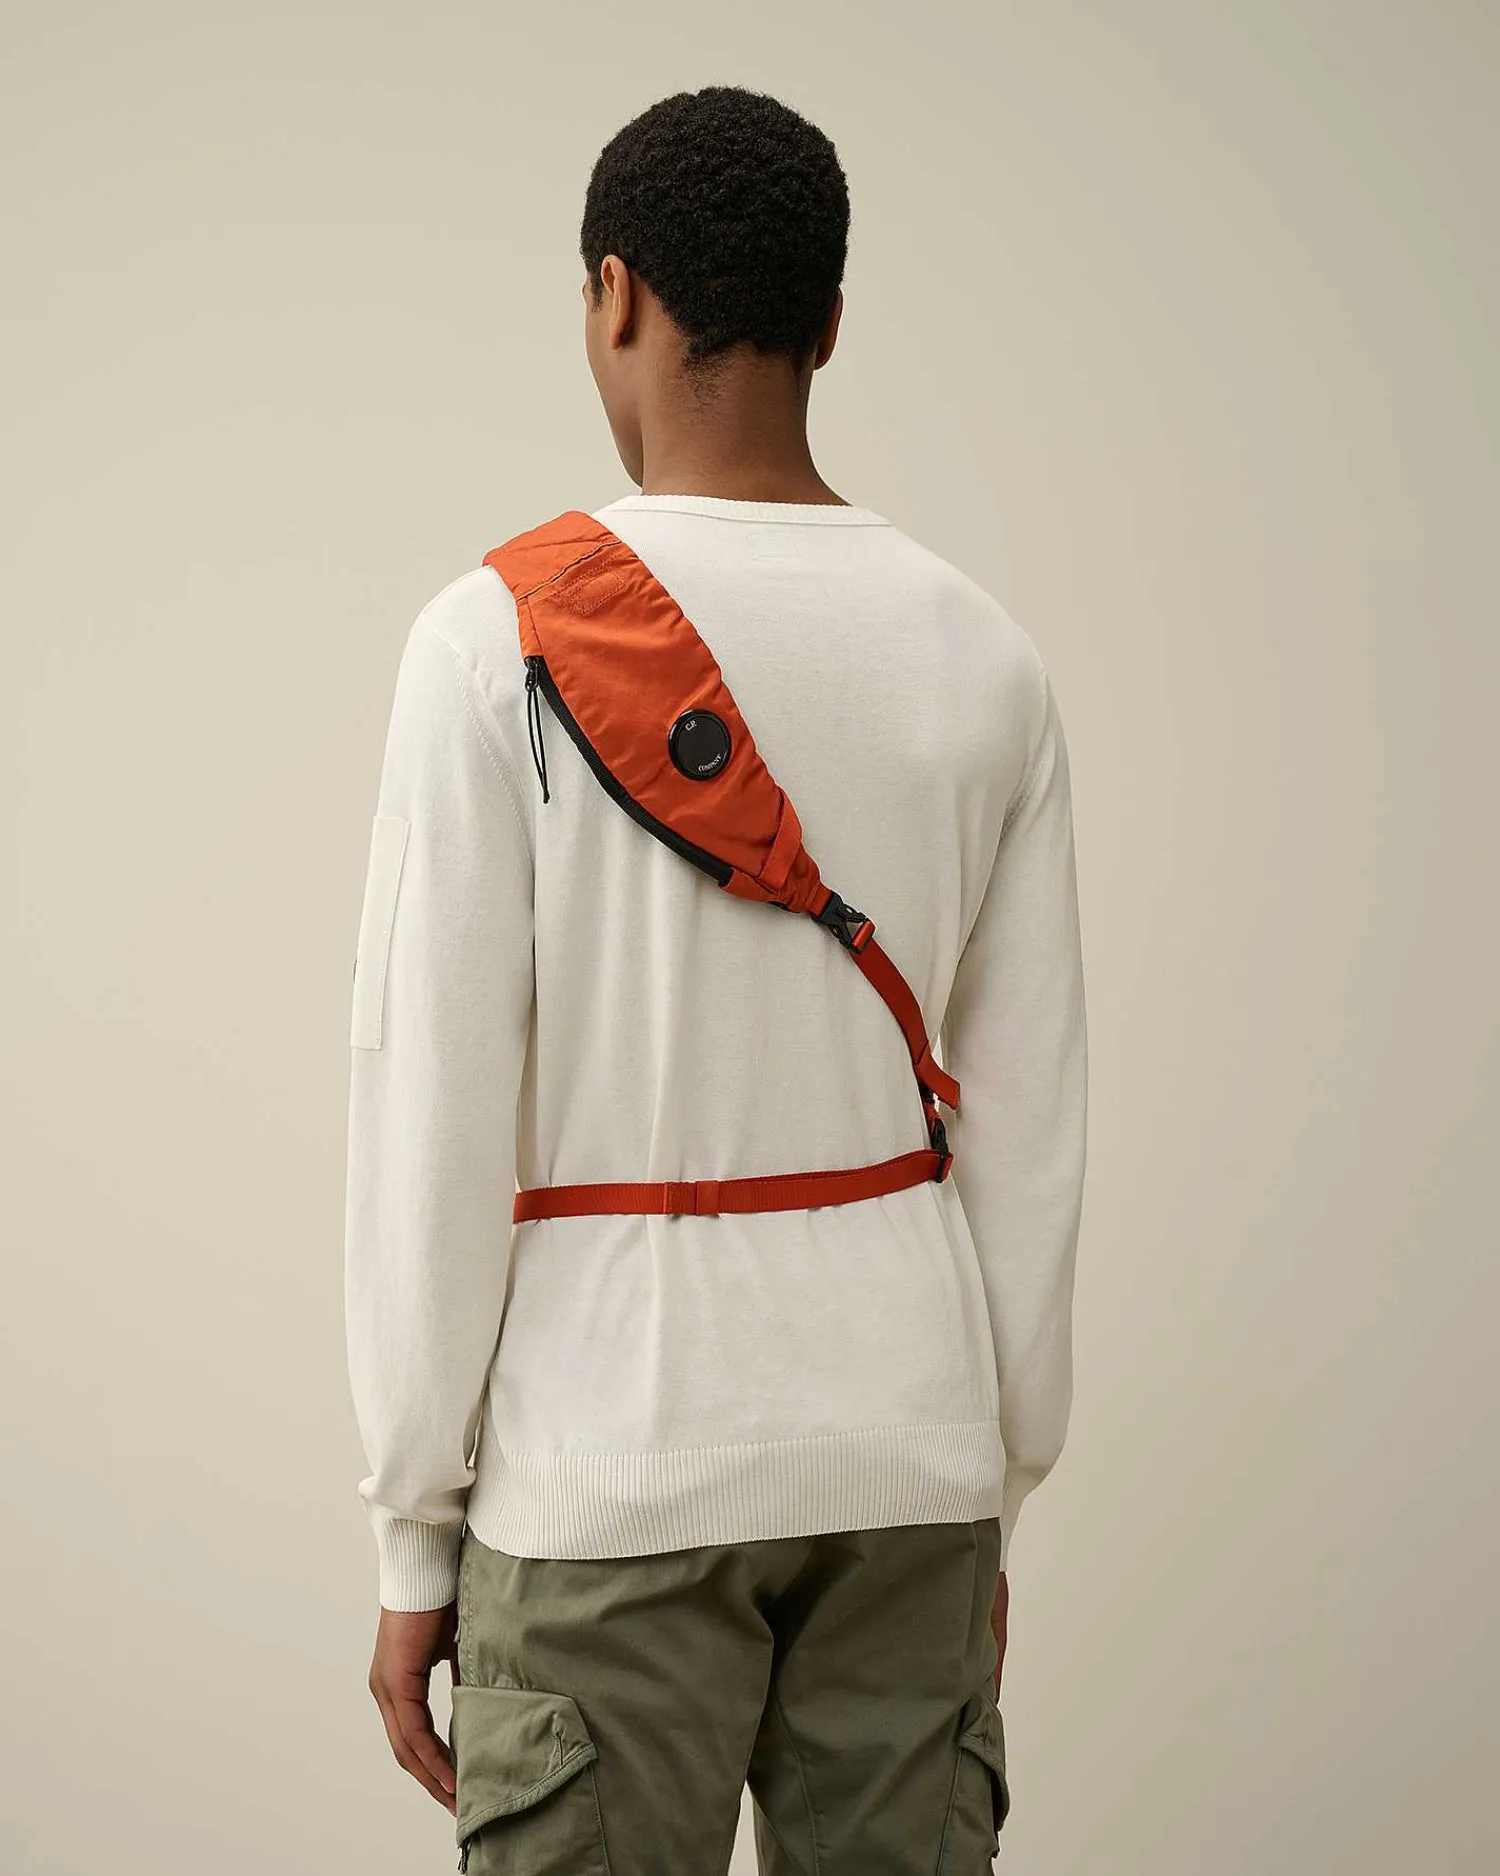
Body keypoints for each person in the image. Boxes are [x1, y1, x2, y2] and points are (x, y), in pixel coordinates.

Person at [345, 83, 1087, 1875]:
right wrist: (991, 1491)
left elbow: (428, 1113)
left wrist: (412, 1531)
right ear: (829, 320)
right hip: (913, 1466)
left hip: (608, 1468)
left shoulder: (493, 641)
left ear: (615, 294)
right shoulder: (987, 660)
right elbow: (1033, 1136)